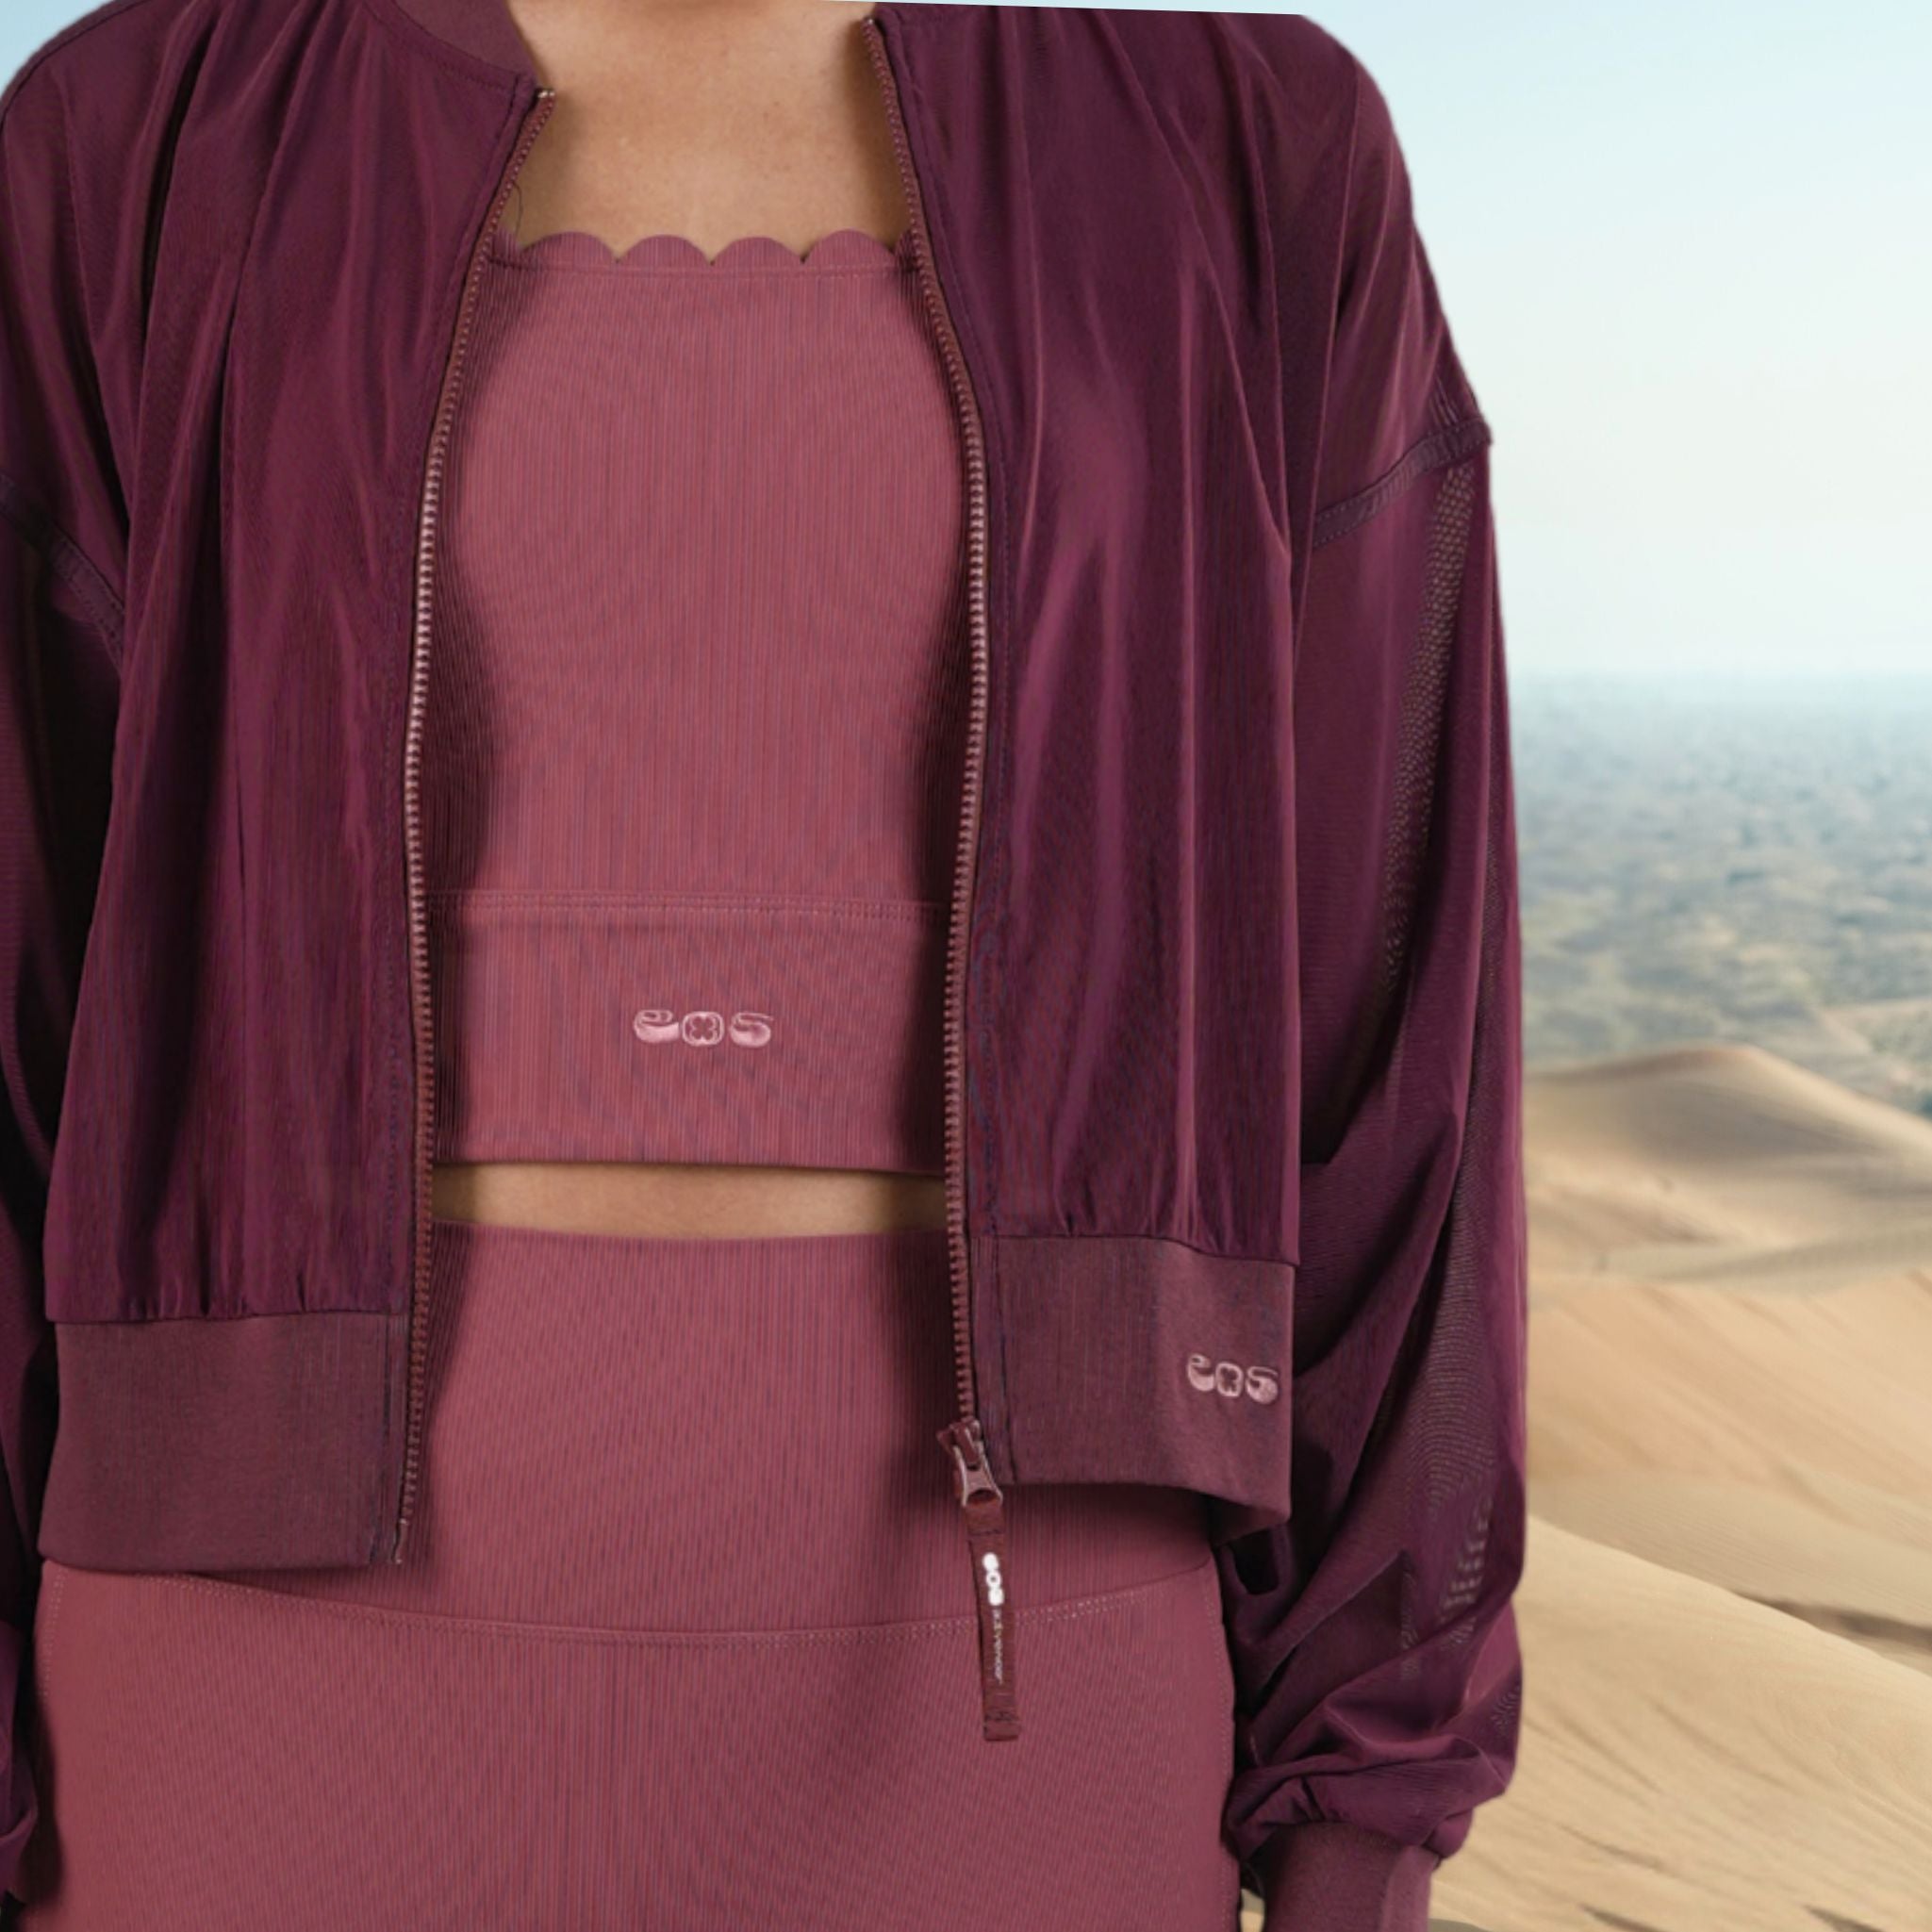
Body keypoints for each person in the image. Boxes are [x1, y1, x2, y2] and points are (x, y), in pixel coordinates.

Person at [0, 1, 1528, 1926]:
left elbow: (1391, 1053)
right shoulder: (133, 137)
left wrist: (1361, 1830)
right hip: (238, 1709)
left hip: (1012, 1706)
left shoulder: (1248, 143)